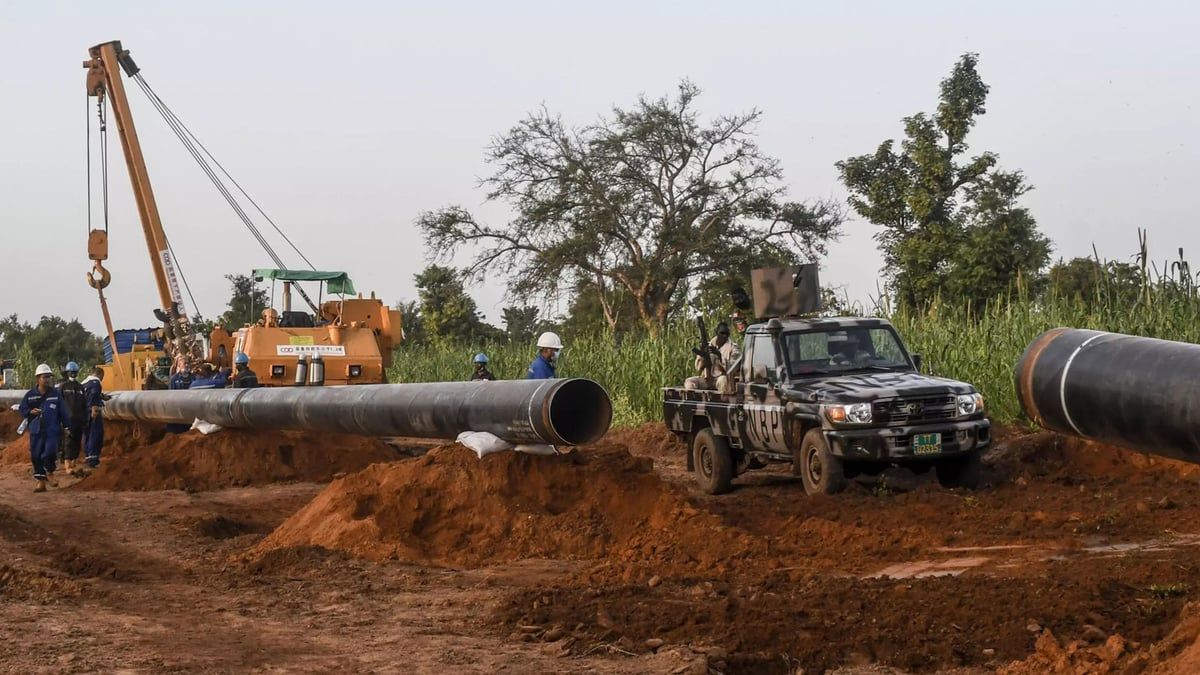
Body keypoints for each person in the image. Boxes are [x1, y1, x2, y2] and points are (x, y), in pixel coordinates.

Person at [19, 364, 71, 492]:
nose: (47, 379)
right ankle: (40, 482)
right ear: (38, 378)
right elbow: (22, 408)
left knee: (50, 452)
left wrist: (67, 426)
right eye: (44, 377)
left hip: (51, 431)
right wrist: (31, 411)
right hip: (36, 430)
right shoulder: (30, 395)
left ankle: (50, 473)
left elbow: (63, 411)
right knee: (35, 456)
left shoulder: (55, 394)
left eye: (49, 377)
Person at [684, 322, 741, 393]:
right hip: (707, 379)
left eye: (727, 334)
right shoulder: (709, 345)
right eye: (722, 333)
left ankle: (724, 402)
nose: (724, 336)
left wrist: (719, 355)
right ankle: (694, 401)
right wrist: (703, 356)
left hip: (722, 379)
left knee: (722, 380)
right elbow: (698, 367)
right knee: (689, 382)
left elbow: (733, 367)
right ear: (716, 332)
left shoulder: (733, 348)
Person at [57, 361, 88, 473]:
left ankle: (74, 461)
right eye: (71, 372)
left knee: (77, 440)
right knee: (68, 441)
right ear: (67, 372)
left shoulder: (80, 387)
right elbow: (59, 404)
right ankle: (67, 464)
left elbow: (84, 404)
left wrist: (85, 418)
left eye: (74, 372)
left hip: (79, 419)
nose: (73, 374)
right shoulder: (63, 387)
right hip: (67, 420)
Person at [81, 366, 110, 469]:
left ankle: (88, 457)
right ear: (100, 374)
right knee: (96, 434)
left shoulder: (83, 383)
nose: (102, 379)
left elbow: (87, 395)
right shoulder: (96, 382)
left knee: (87, 434)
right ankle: (94, 460)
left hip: (84, 413)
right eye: (102, 376)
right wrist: (94, 408)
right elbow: (93, 394)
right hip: (93, 413)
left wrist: (102, 396)